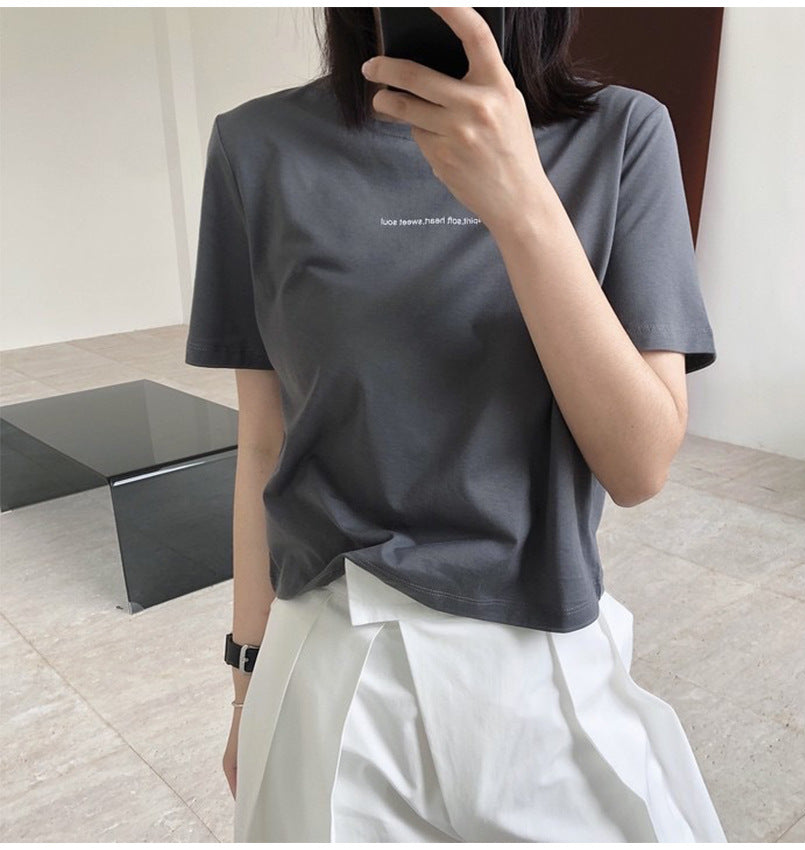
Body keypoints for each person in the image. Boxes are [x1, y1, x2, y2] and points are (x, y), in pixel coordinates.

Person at [184, 7, 728, 843]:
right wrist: (245, 683)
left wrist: (522, 202)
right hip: (326, 659)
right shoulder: (256, 146)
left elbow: (639, 465)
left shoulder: (621, 133)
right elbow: (263, 442)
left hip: (542, 652)